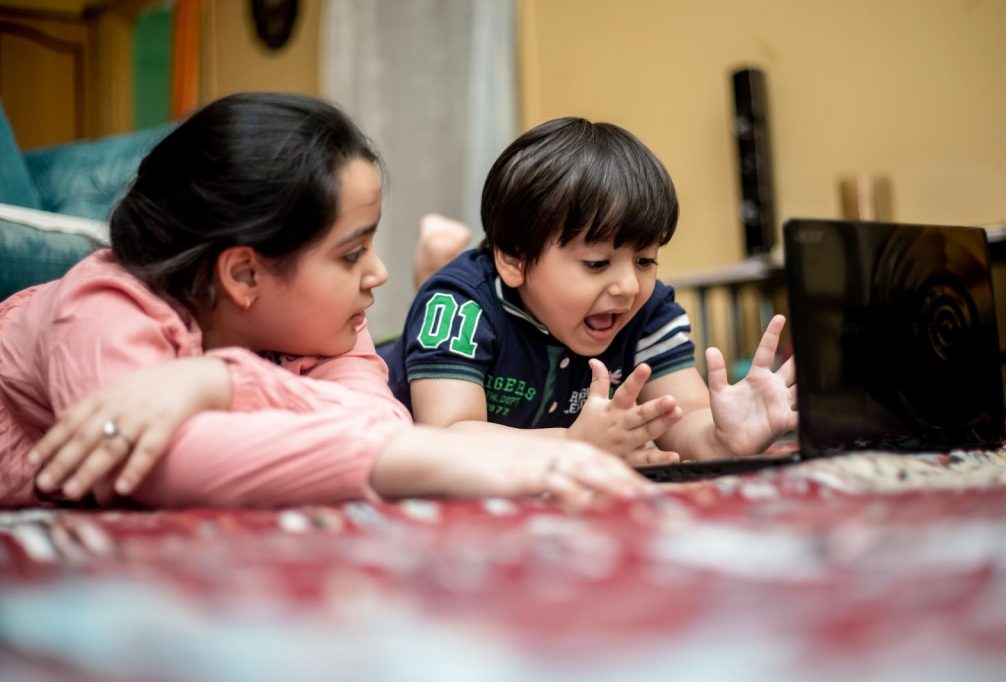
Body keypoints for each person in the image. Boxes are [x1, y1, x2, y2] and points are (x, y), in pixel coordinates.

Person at [0, 93, 650, 510]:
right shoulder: (99, 310)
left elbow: (381, 427)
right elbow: (161, 468)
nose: (378, 274)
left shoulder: (325, 328)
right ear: (245, 276)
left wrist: (212, 381)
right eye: (350, 254)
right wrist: (473, 461)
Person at [382, 117, 797, 463]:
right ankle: (434, 258)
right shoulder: (458, 307)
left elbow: (685, 418)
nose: (630, 286)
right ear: (513, 259)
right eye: (597, 263)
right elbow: (446, 437)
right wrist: (574, 445)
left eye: (646, 260)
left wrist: (725, 436)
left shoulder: (649, 312)